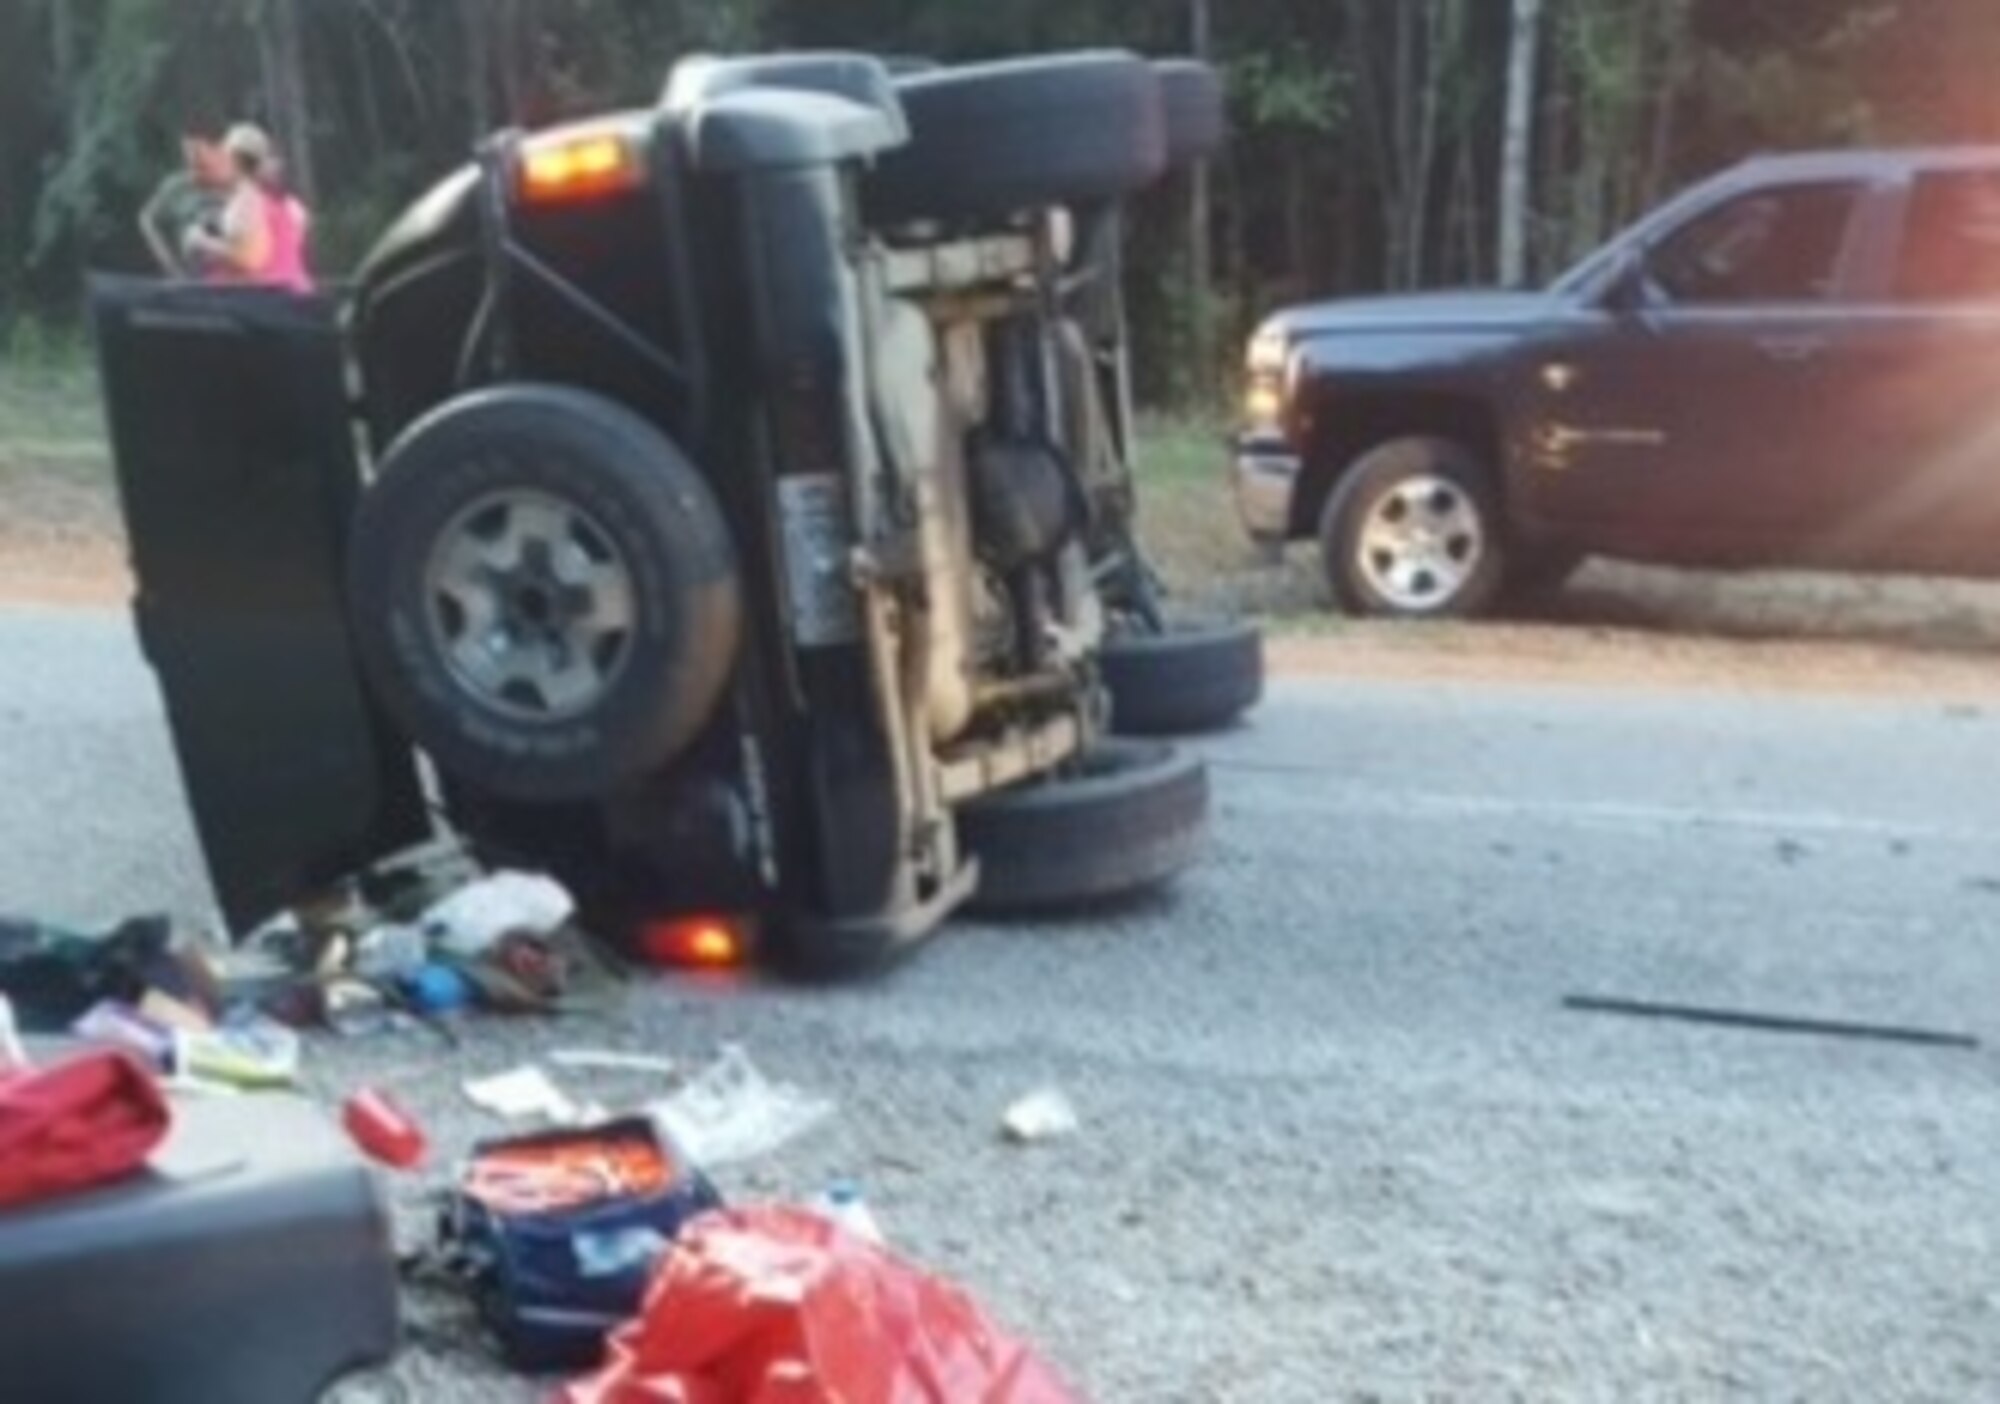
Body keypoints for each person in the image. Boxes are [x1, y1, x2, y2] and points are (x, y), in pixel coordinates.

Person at [179, 123, 315, 294]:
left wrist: (202, 242)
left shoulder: (245, 202)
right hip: (296, 299)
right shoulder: (291, 206)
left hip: (264, 304)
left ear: (234, 159)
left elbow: (252, 259)